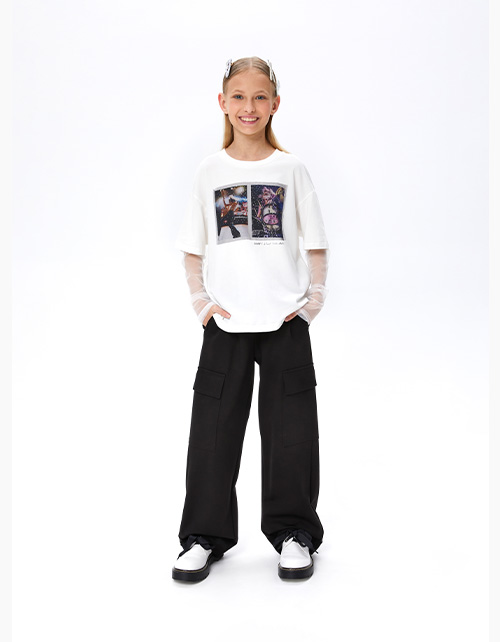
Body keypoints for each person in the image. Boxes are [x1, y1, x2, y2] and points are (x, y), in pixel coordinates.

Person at [172, 56, 330, 582]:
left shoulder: (291, 170)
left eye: (260, 96)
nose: (249, 107)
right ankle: (203, 536)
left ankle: (293, 533)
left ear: (275, 104)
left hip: (284, 322)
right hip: (226, 322)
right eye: (238, 96)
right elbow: (192, 248)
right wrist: (202, 303)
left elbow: (316, 243)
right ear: (223, 102)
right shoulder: (209, 172)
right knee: (212, 432)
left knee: (292, 432)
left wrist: (311, 304)